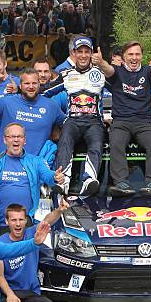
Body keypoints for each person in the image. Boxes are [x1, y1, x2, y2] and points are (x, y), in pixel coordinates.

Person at [92, 42, 151, 197]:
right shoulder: (117, 72)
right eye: (130, 54)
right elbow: (108, 69)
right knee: (116, 144)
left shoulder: (147, 71)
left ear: (142, 56)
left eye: (137, 54)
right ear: (124, 57)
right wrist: (100, 63)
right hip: (121, 122)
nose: (134, 58)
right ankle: (120, 183)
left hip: (144, 122)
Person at [0, 200, 68, 302]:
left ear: (26, 220)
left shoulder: (32, 233)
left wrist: (59, 211)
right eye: (14, 220)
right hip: (11, 292)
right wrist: (10, 295)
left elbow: (48, 220)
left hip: (30, 293)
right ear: (7, 221)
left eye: (21, 219)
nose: (18, 223)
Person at [43, 36, 105, 196]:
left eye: (87, 52)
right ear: (74, 53)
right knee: (65, 139)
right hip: (73, 120)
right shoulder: (66, 74)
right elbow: (45, 91)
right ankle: (63, 180)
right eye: (80, 52)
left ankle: (89, 179)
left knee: (97, 142)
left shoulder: (101, 73)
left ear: (91, 53)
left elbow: (121, 87)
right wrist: (20, 91)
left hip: (94, 121)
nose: (83, 55)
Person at [0, 123, 65, 239]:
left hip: (25, 225)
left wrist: (55, 177)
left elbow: (48, 176)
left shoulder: (36, 161)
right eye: (12, 137)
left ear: (24, 140)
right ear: (5, 140)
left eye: (19, 136)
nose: (16, 140)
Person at [0, 68, 66, 155]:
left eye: (34, 83)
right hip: (7, 165)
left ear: (39, 84)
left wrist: (56, 131)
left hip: (36, 166)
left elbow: (66, 125)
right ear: (20, 85)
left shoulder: (51, 105)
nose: (31, 87)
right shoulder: (7, 102)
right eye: (27, 83)